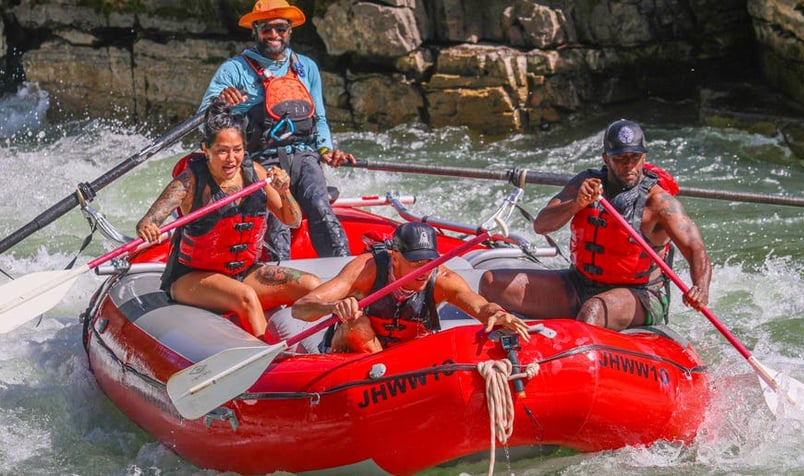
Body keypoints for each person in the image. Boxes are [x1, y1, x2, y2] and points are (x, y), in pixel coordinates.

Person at [479, 119, 712, 330]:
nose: (629, 166)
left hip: (641, 295)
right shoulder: (585, 183)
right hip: (580, 284)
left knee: (594, 310)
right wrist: (576, 204)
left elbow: (696, 249)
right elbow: (542, 225)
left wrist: (700, 287)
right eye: (620, 159)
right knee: (491, 283)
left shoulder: (659, 203)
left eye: (635, 158)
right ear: (606, 159)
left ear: (644, 157)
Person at [136, 97, 321, 338]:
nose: (231, 159)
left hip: (244, 272)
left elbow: (292, 220)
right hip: (191, 279)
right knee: (245, 297)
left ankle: (326, 348)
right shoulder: (189, 182)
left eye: (237, 150)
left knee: (312, 286)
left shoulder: (256, 173)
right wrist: (148, 226)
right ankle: (273, 362)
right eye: (222, 151)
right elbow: (149, 220)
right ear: (206, 150)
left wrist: (284, 191)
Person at [198, 0, 354, 261]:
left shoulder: (307, 67)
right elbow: (204, 122)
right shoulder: (234, 70)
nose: (273, 35)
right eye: (266, 28)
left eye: (280, 28)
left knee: (319, 205)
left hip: (304, 156)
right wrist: (221, 103)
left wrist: (325, 149)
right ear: (255, 30)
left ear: (289, 30)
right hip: (261, 160)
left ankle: (344, 267)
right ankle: (279, 278)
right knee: (277, 220)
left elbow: (321, 119)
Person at [291, 222, 531, 353]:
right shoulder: (367, 269)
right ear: (394, 257)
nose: (425, 269)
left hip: (403, 366)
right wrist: (335, 307)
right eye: (416, 262)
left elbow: (479, 306)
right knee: (357, 323)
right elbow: (300, 309)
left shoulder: (443, 279)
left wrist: (497, 314)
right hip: (351, 358)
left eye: (430, 261)